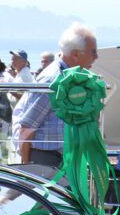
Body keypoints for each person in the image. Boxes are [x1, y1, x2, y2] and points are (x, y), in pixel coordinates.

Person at [14, 23, 98, 172]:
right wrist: (28, 167)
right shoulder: (52, 80)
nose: (96, 57)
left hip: (63, 157)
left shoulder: (71, 76)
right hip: (46, 159)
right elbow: (27, 127)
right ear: (76, 54)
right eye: (93, 52)